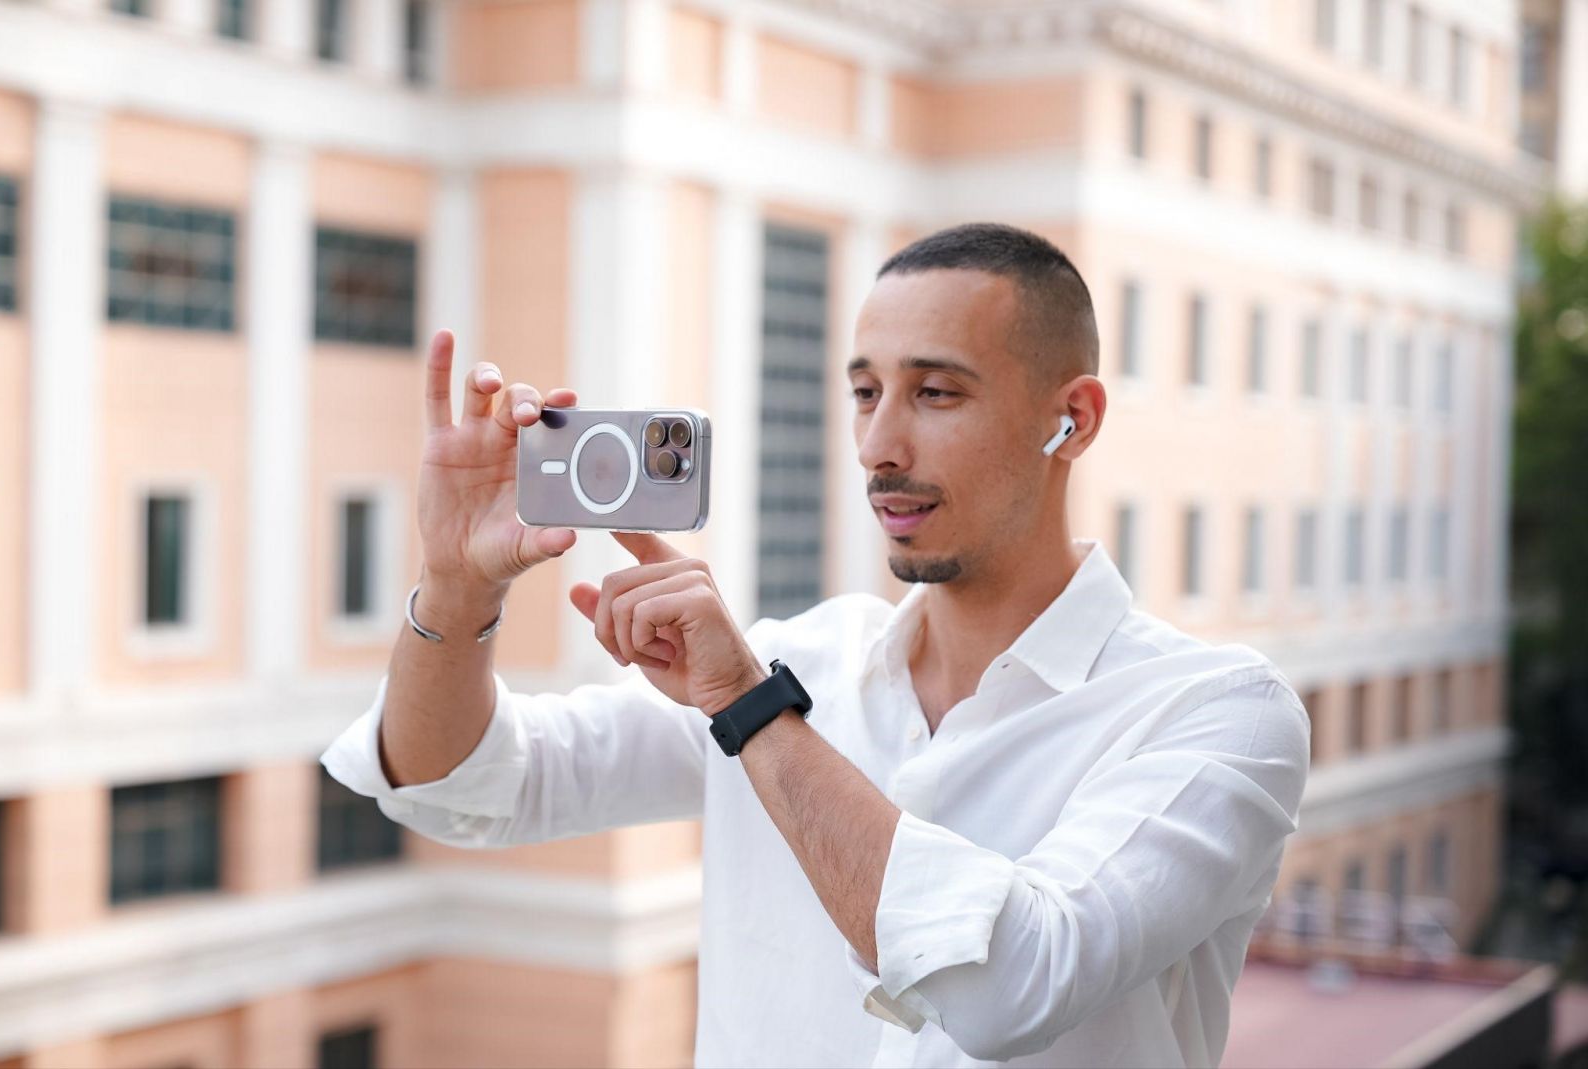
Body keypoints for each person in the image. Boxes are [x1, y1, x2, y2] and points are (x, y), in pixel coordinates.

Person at [321, 222, 1311, 1068]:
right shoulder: (807, 660)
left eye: (936, 393)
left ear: (1073, 418)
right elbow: (458, 783)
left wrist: (749, 708)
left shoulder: (1215, 710)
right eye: (865, 392)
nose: (879, 446)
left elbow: (1011, 981)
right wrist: (456, 585)